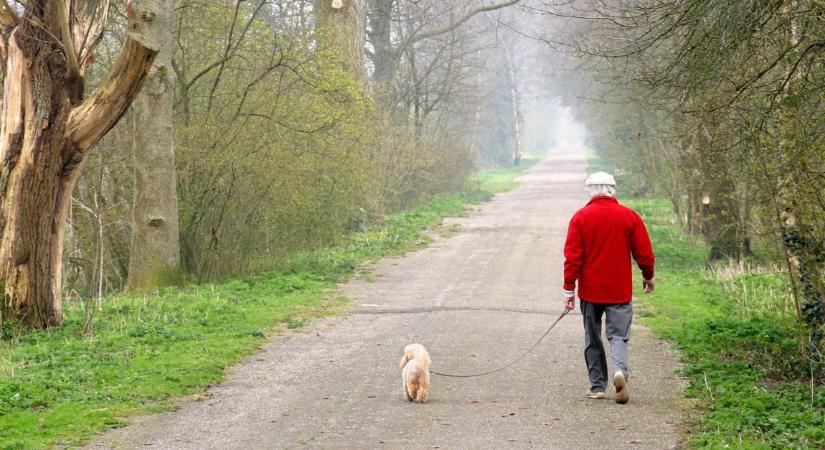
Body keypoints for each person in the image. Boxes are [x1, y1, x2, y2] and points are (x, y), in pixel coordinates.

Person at [562, 171, 655, 404]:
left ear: (590, 191)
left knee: (592, 337)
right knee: (618, 336)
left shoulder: (581, 217)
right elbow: (644, 253)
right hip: (619, 290)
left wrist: (568, 289)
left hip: (590, 292)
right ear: (613, 189)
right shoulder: (629, 217)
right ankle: (619, 371)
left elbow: (573, 257)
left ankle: (597, 386)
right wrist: (648, 276)